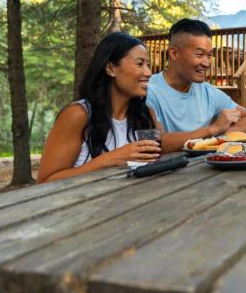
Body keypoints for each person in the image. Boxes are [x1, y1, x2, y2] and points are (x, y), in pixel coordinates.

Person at [37, 32, 162, 183]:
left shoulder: (145, 113)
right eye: (140, 64)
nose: (148, 72)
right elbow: (45, 181)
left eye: (148, 64)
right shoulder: (78, 114)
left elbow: (152, 159)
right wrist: (108, 160)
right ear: (110, 68)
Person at [146, 18, 246, 152]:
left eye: (209, 55)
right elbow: (157, 143)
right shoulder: (148, 91)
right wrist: (214, 129)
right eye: (199, 54)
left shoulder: (208, 91)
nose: (206, 63)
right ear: (174, 53)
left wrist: (216, 138)